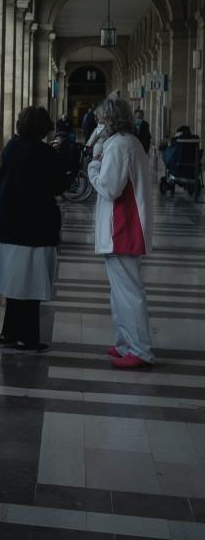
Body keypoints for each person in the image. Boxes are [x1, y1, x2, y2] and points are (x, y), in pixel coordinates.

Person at [0, 107, 72, 351]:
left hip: (10, 224)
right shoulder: (44, 152)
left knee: (15, 282)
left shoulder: (11, 147)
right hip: (34, 226)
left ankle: (8, 332)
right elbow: (59, 184)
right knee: (32, 284)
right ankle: (28, 337)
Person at [87, 98, 155, 368]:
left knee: (128, 292)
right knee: (120, 291)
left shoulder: (118, 146)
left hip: (123, 228)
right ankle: (125, 342)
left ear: (109, 120)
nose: (99, 124)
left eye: (101, 120)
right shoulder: (128, 142)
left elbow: (110, 188)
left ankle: (139, 350)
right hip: (124, 226)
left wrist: (93, 167)